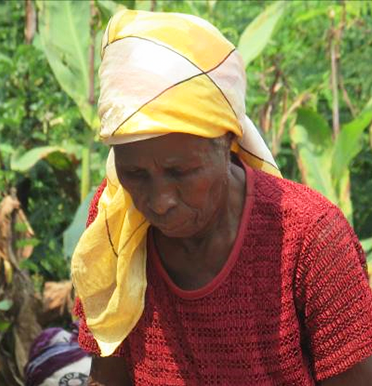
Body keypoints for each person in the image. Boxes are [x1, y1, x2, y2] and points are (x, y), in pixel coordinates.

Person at [71, 9, 372, 386]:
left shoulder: (310, 237)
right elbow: (109, 376)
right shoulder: (114, 221)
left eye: (181, 172)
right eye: (135, 174)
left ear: (228, 141)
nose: (160, 201)